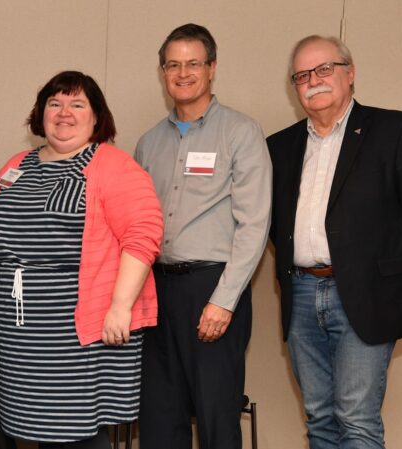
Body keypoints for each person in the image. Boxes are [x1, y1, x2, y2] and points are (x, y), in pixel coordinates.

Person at [0, 70, 162, 449]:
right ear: (41, 112)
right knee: (31, 431)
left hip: (79, 332)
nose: (64, 112)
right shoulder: (16, 165)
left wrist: (120, 306)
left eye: (77, 104)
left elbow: (143, 235)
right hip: (19, 336)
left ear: (96, 116)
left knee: (76, 433)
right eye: (55, 103)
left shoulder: (113, 165)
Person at [134, 23, 271, 449]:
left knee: (215, 419)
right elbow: (138, 226)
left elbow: (254, 223)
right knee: (159, 419)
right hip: (156, 291)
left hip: (211, 290)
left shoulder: (240, 132)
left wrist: (224, 299)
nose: (183, 72)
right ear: (162, 72)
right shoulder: (148, 143)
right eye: (173, 64)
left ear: (211, 68)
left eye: (193, 63)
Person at [267, 35, 402, 449]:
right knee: (320, 418)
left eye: (325, 69)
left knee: (356, 417)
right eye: (303, 75)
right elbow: (272, 223)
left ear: (350, 73)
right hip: (302, 295)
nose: (314, 81)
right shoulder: (278, 146)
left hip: (365, 295)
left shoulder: (393, 130)